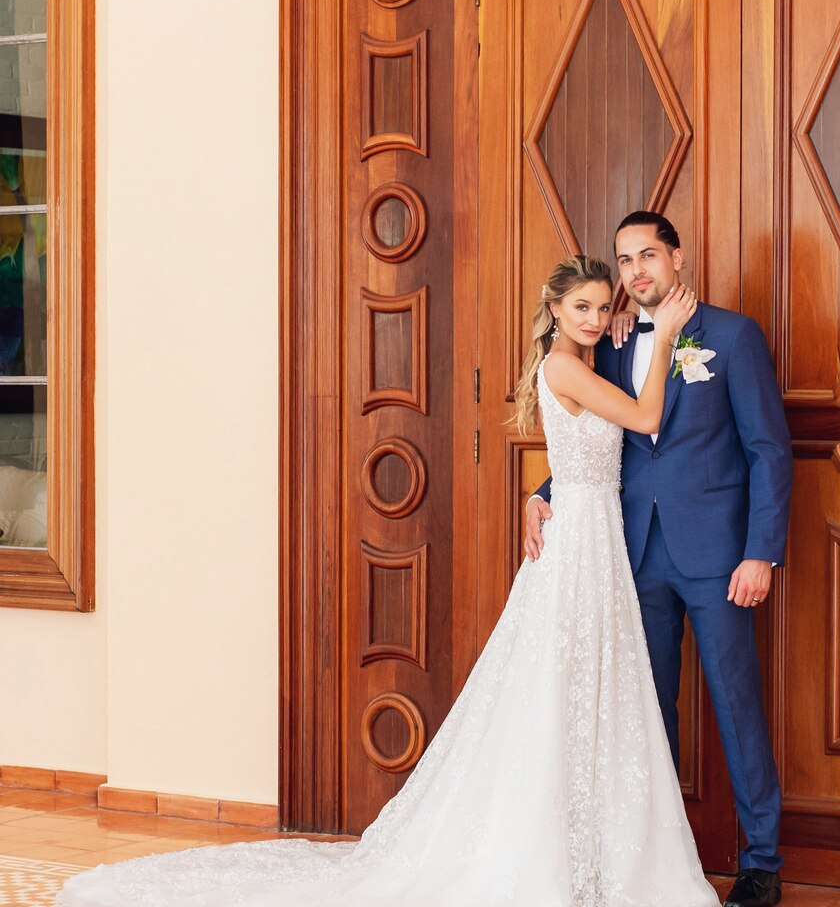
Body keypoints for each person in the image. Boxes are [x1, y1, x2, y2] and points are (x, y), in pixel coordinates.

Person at [57, 254, 718, 907]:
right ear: (553, 311)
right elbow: (647, 419)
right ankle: (549, 854)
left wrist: (540, 491)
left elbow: (594, 454)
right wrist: (663, 341)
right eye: (583, 307)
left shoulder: (584, 362)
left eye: (604, 308)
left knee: (589, 687)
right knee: (560, 688)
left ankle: (588, 849)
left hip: (592, 533)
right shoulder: (563, 365)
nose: (597, 318)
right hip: (579, 545)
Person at [527, 211, 791, 907]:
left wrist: (760, 551)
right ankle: (654, 861)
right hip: (630, 556)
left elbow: (768, 449)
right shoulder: (605, 345)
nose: (637, 271)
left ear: (678, 257)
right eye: (625, 260)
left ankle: (761, 864)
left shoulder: (733, 336)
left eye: (649, 255)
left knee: (738, 705)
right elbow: (595, 436)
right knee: (643, 713)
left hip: (717, 558)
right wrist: (541, 492)